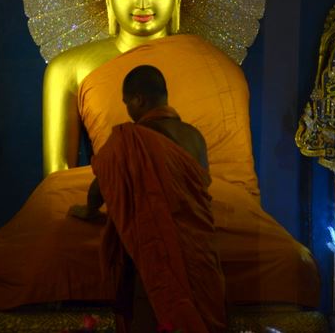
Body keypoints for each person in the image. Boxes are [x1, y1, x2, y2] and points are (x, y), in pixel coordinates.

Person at [0, 0, 320, 316]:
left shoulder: (218, 67)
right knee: (17, 251)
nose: (144, 2)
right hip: (119, 210)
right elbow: (59, 178)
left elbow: (232, 185)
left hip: (204, 211)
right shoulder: (69, 67)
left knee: (289, 260)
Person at [69, 65, 224, 332]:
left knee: (159, 312)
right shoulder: (195, 136)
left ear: (138, 100)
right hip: (199, 247)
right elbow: (201, 186)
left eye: (127, 102)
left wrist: (89, 210)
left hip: (159, 244)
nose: (127, 109)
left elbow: (102, 184)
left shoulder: (129, 140)